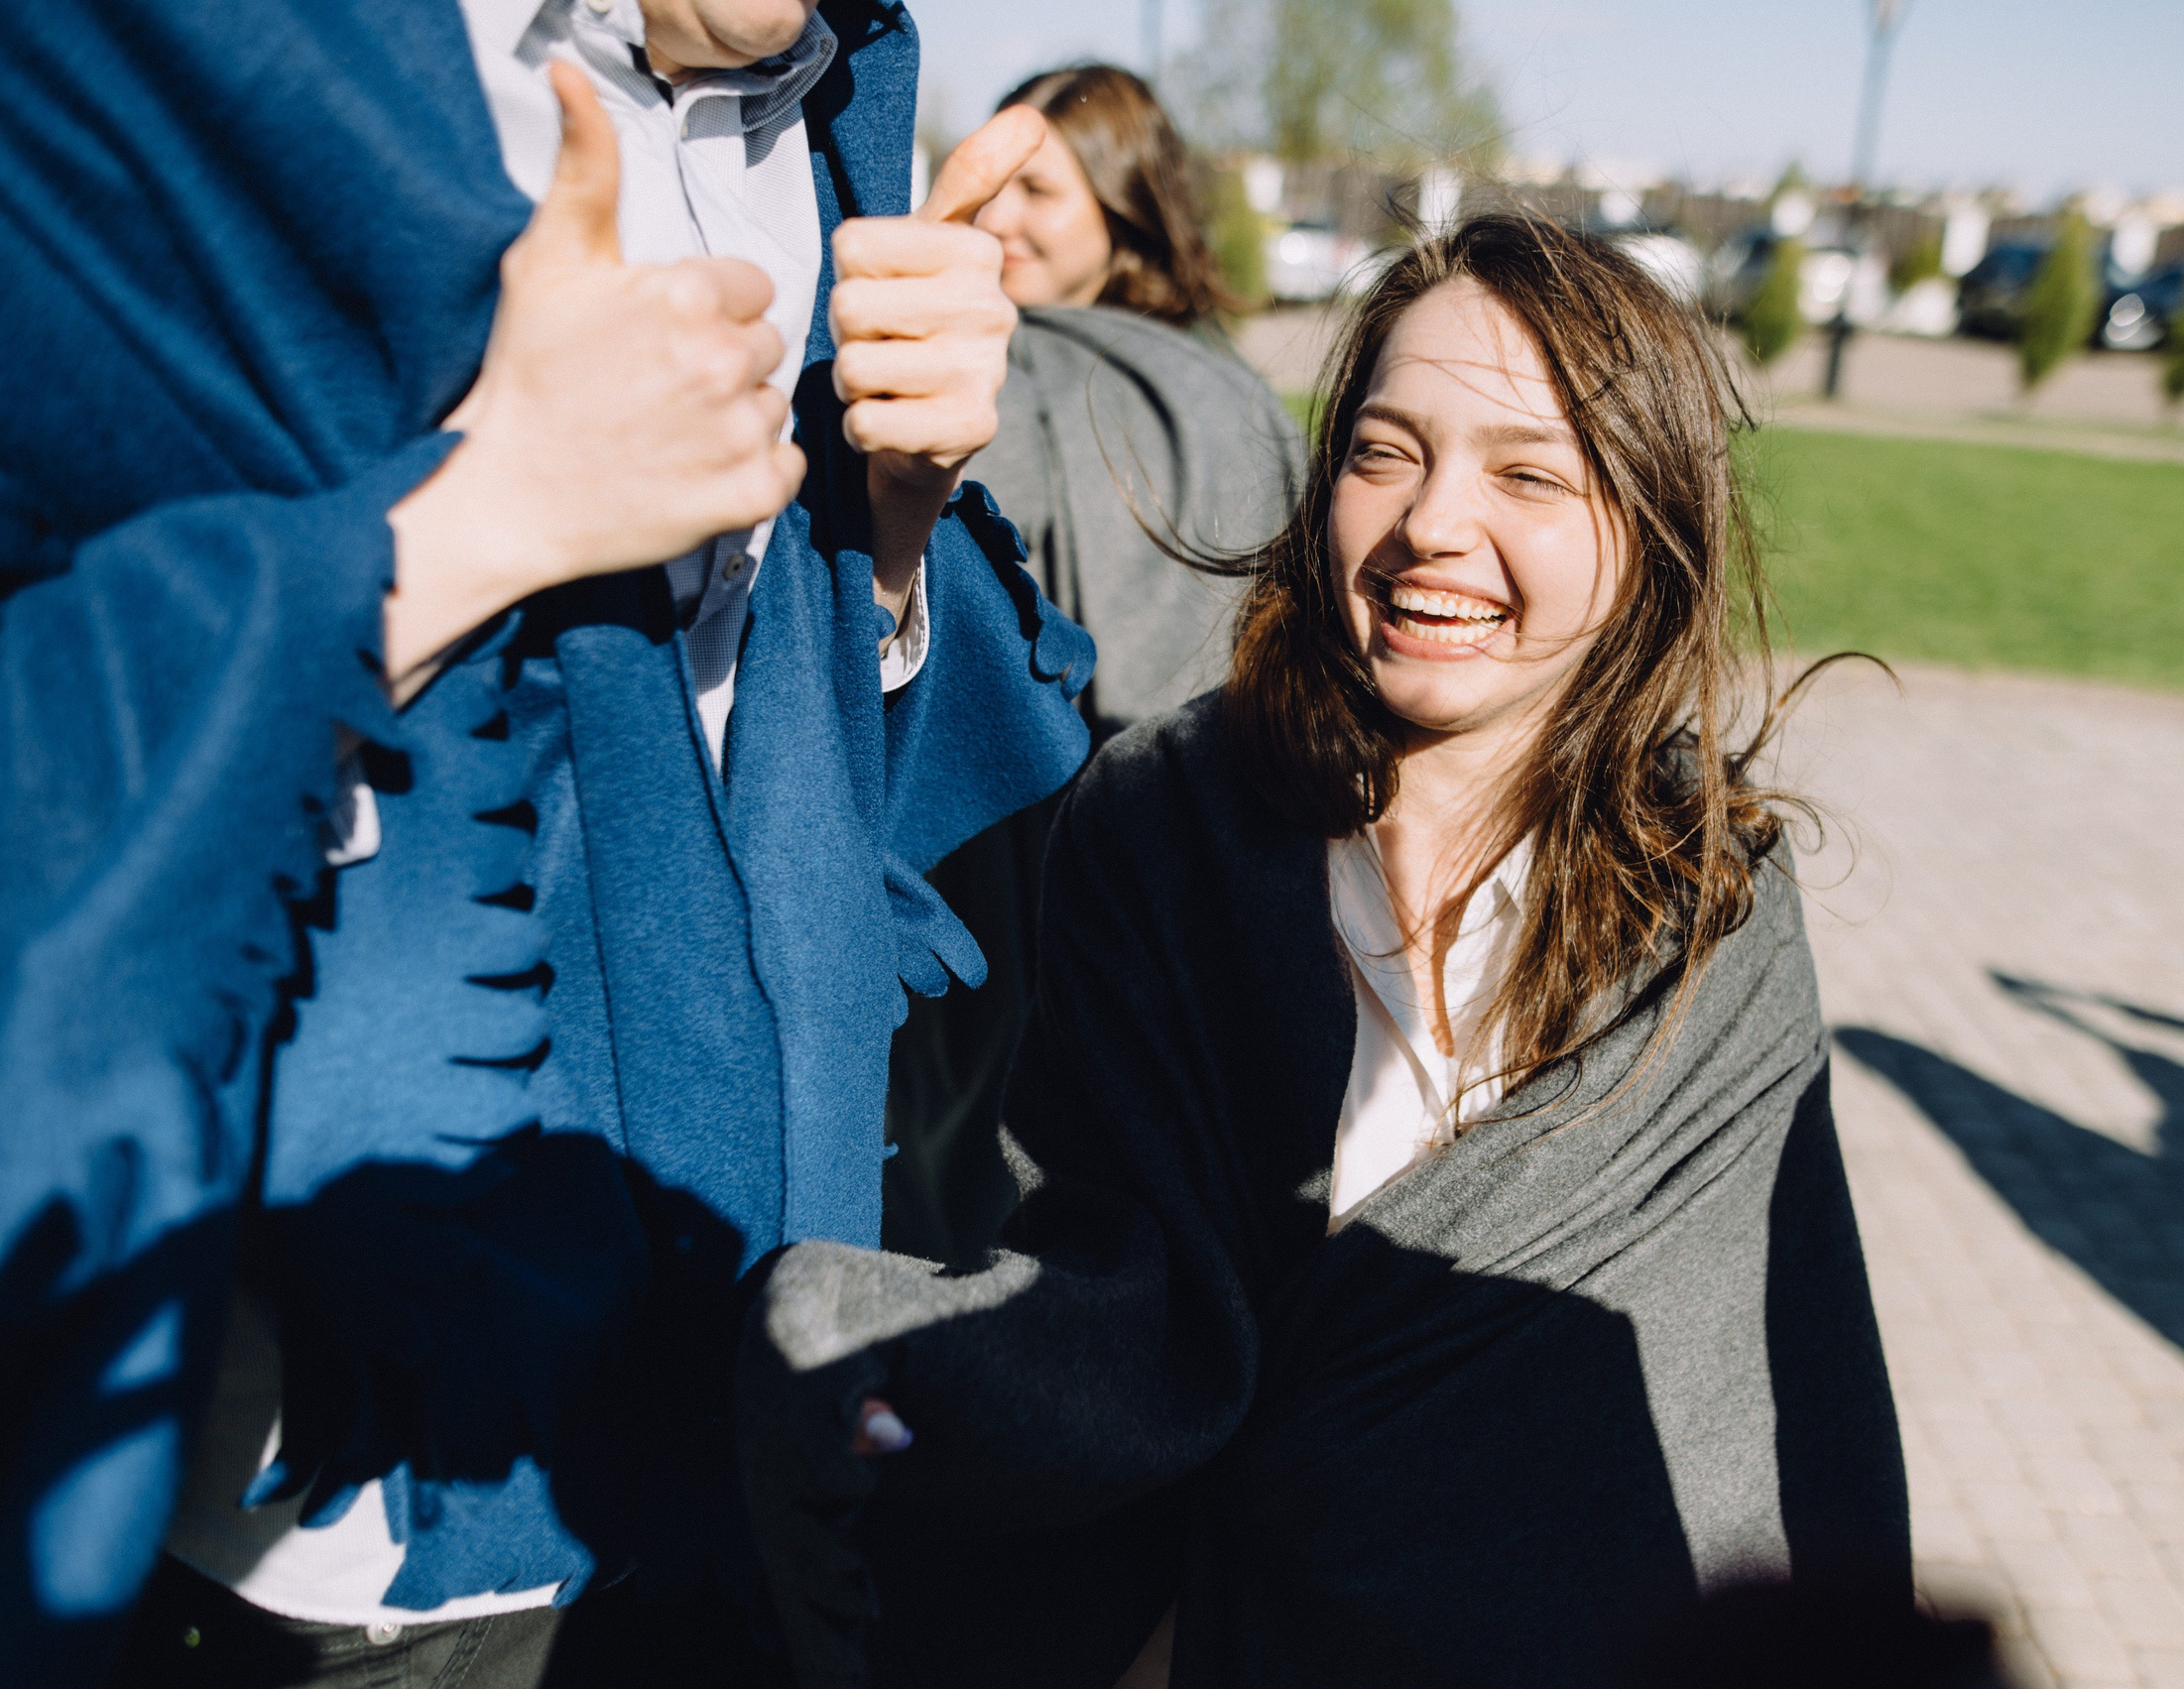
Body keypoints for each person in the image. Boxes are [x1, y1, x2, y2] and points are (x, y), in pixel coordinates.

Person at [2, 2, 1088, 1684]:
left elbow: (803, 749)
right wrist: (494, 505)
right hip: (363, 1491)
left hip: (744, 1389)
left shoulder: (842, 99)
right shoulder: (158, 62)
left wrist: (901, 504)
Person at [739, 212, 1910, 1688]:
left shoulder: (1712, 900)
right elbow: (1113, 1266)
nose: (1432, 523)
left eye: (1531, 473)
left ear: (1648, 531)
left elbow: (1795, 1371)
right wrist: (870, 1351)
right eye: (1385, 450)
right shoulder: (1157, 824)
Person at [882, 64, 1303, 1267]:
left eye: (1042, 192)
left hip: (1086, 856)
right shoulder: (1230, 387)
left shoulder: (1042, 383)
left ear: (1126, 210)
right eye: (993, 186)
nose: (1003, 218)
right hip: (1065, 860)